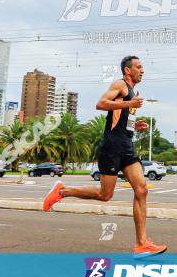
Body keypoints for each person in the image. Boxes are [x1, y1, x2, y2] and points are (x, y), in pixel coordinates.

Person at [43, 55, 167, 259]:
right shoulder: (120, 84)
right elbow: (101, 104)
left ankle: (141, 244)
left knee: (142, 189)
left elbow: (118, 119)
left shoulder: (133, 92)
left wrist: (135, 125)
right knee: (105, 195)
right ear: (128, 70)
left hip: (126, 146)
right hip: (111, 147)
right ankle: (62, 191)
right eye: (139, 66)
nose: (142, 70)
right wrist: (130, 104)